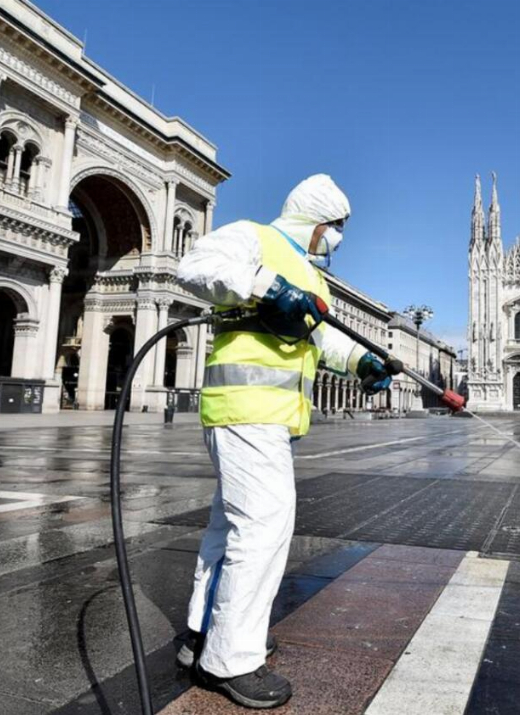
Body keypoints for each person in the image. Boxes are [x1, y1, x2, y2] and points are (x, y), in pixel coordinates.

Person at [173, 175, 392, 709]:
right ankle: (233, 659)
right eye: (336, 228)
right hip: (246, 411)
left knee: (228, 529)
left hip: (266, 416)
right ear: (315, 222)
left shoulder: (306, 271)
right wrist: (265, 287)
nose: (338, 239)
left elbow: (319, 337)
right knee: (264, 528)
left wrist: (360, 360)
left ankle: (204, 631)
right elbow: (196, 268)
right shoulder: (253, 237)